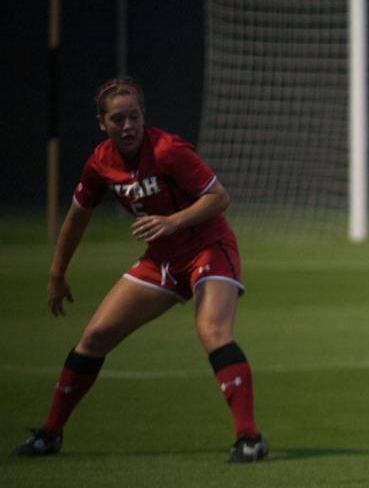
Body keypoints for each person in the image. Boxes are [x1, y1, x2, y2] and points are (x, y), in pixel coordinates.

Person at [12, 78, 268, 462]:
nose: (128, 126)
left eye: (134, 116)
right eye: (118, 119)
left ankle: (250, 439)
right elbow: (77, 218)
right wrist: (56, 273)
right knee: (95, 335)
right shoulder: (100, 162)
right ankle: (50, 434)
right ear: (103, 123)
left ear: (144, 116)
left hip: (208, 249)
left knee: (212, 330)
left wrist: (173, 222)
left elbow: (219, 198)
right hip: (162, 261)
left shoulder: (168, 151)